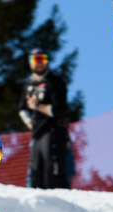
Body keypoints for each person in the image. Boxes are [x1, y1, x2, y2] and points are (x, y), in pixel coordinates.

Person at [19, 48, 70, 189]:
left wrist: (38, 106)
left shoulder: (55, 82)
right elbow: (22, 109)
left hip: (54, 131)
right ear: (30, 62)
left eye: (43, 59)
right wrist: (30, 123)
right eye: (36, 59)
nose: (40, 63)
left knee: (52, 172)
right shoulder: (29, 85)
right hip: (37, 134)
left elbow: (59, 110)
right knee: (36, 172)